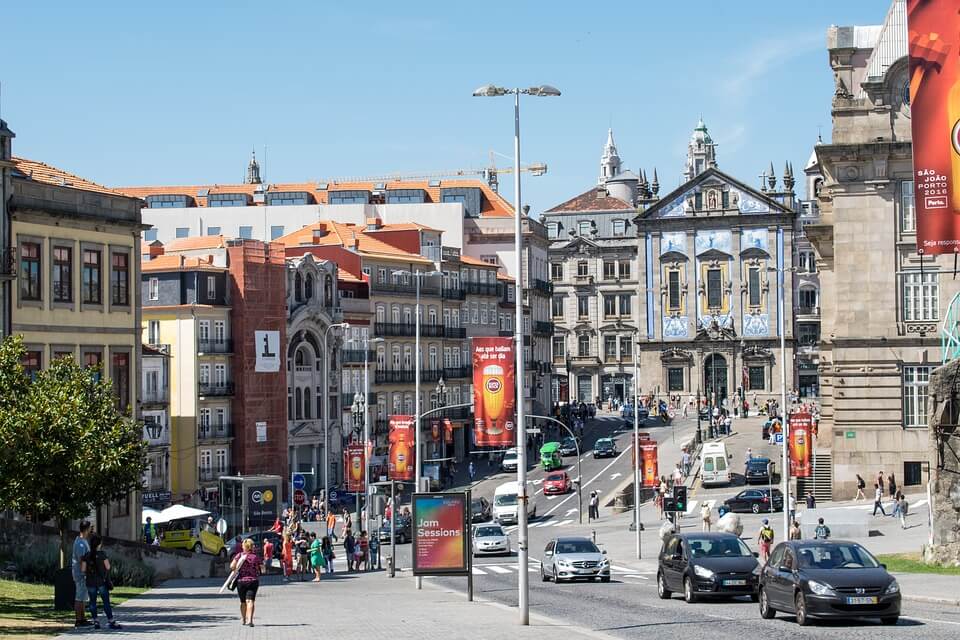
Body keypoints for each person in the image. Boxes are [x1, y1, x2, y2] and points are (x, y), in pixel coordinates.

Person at [84, 533, 120, 630]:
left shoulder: (86, 555)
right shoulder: (102, 554)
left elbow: (83, 569)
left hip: (90, 582)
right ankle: (111, 620)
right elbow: (108, 567)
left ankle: (96, 621)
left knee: (92, 602)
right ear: (99, 544)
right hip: (101, 582)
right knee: (106, 602)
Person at [231, 538, 262, 627]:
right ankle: (250, 620)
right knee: (250, 600)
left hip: (241, 581)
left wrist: (237, 567)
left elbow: (232, 566)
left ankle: (243, 619)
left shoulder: (239, 555)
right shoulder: (255, 557)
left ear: (244, 546)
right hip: (253, 581)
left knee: (243, 602)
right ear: (251, 547)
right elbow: (262, 568)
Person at [72, 520, 92, 627]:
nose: (91, 530)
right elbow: (81, 560)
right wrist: (85, 571)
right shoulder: (80, 543)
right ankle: (78, 620)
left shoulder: (83, 541)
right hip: (80, 573)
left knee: (83, 596)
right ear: (86, 529)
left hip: (82, 572)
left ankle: (83, 618)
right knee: (79, 596)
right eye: (90, 528)